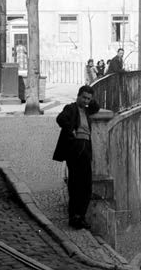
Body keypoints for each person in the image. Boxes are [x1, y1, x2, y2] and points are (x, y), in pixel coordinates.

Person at [52, 85, 100, 230]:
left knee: (86, 186)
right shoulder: (71, 108)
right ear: (78, 96)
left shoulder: (87, 109)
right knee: (75, 184)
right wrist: (71, 131)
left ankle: (81, 216)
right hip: (75, 148)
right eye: (84, 97)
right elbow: (60, 118)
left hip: (86, 148)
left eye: (88, 98)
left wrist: (90, 102)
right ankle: (74, 217)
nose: (86, 100)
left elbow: (96, 107)